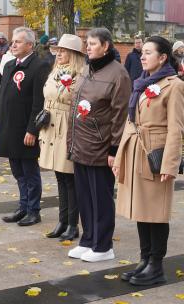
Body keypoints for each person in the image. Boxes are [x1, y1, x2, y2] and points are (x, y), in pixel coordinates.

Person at [113, 36, 184, 286]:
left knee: (156, 212)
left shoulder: (174, 85)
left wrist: (170, 164)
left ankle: (156, 266)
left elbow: (177, 128)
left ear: (163, 57)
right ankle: (144, 260)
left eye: (148, 53)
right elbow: (131, 121)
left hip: (156, 154)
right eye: (142, 53)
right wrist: (120, 156)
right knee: (141, 209)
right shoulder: (142, 82)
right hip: (136, 150)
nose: (142, 57)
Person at [67, 28, 131, 262]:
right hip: (81, 143)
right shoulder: (87, 68)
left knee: (100, 198)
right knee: (84, 196)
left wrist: (114, 149)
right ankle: (88, 240)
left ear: (106, 46)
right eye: (87, 43)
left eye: (93, 43)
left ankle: (103, 245)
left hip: (101, 146)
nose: (88, 47)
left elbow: (119, 115)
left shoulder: (118, 74)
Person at [0, 27, 50, 226]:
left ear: (30, 45)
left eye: (18, 41)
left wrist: (32, 130)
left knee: (29, 172)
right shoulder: (9, 65)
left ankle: (33, 210)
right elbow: (3, 98)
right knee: (17, 171)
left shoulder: (39, 66)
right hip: (10, 127)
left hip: (25, 129)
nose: (13, 44)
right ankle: (23, 206)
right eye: (13, 41)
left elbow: (38, 102)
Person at [39, 34, 85, 241]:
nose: (59, 54)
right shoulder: (55, 71)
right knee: (59, 176)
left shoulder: (80, 74)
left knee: (70, 178)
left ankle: (72, 224)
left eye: (64, 51)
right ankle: (62, 221)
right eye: (58, 51)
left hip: (66, 125)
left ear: (74, 54)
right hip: (51, 124)